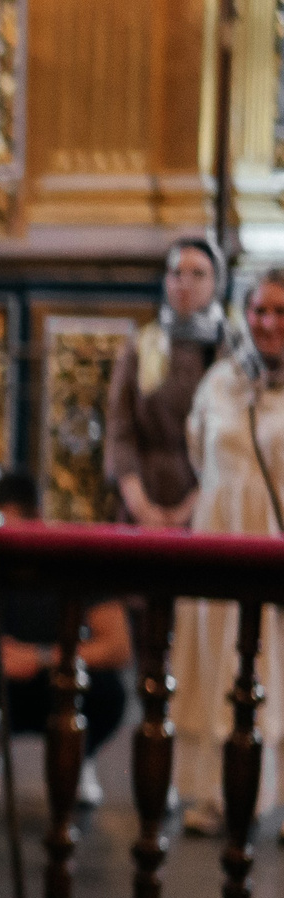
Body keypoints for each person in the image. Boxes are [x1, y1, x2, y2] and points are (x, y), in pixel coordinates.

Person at [173, 266, 284, 840]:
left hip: (276, 547)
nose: (267, 323)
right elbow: (199, 450)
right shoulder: (220, 382)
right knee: (217, 665)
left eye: (280, 313)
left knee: (277, 670)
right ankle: (214, 793)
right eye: (259, 310)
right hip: (219, 540)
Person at [0, 474, 129, 806]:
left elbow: (118, 646)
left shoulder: (74, 560)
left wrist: (38, 657)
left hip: (59, 678)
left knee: (106, 689)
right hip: (4, 678)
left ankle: (80, 754)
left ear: (36, 518)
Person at [105, 236, 225, 527]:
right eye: (176, 273)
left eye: (198, 274)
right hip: (143, 500)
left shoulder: (227, 352)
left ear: (217, 283)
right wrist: (141, 506)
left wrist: (188, 510)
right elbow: (120, 432)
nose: (185, 283)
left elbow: (227, 444)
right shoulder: (141, 346)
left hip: (208, 502)